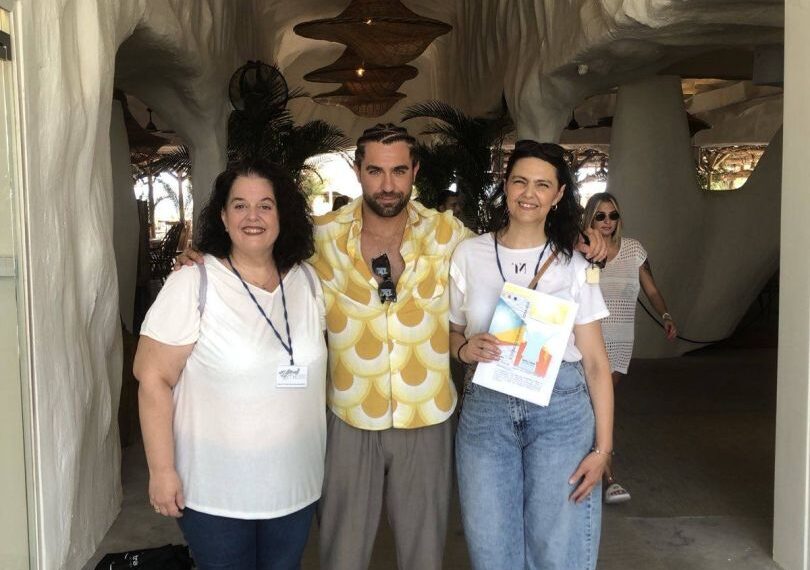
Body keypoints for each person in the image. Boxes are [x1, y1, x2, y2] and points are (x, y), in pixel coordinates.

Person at [174, 126, 609, 570]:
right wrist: (204, 257)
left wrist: (580, 241)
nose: (387, 184)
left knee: (423, 556)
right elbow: (258, 252)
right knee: (342, 554)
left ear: (414, 172)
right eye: (376, 171)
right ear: (357, 170)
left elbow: (514, 241)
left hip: (427, 415)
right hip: (349, 414)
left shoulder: (450, 236)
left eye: (399, 171)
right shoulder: (320, 237)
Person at [133, 159, 327, 570]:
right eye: (240, 205)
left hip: (295, 487)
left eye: (265, 205)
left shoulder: (308, 282)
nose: (253, 216)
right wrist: (161, 471)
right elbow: (152, 379)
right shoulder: (194, 282)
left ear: (282, 214)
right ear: (223, 217)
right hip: (215, 493)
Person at [449, 140, 614, 570]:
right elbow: (452, 333)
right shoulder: (469, 254)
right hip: (487, 408)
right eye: (520, 181)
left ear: (558, 195)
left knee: (558, 547)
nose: (529, 193)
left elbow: (596, 363)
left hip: (560, 409)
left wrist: (603, 449)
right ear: (505, 185)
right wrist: (464, 348)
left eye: (543, 185)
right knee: (490, 546)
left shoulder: (574, 263)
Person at [583, 191, 677, 504]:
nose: (607, 221)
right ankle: (608, 476)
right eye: (600, 215)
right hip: (588, 340)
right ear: (590, 217)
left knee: (598, 404)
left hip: (621, 341)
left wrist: (665, 315)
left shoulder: (633, 250)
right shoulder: (581, 250)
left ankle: (596, 465)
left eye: (613, 215)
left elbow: (652, 290)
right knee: (597, 405)